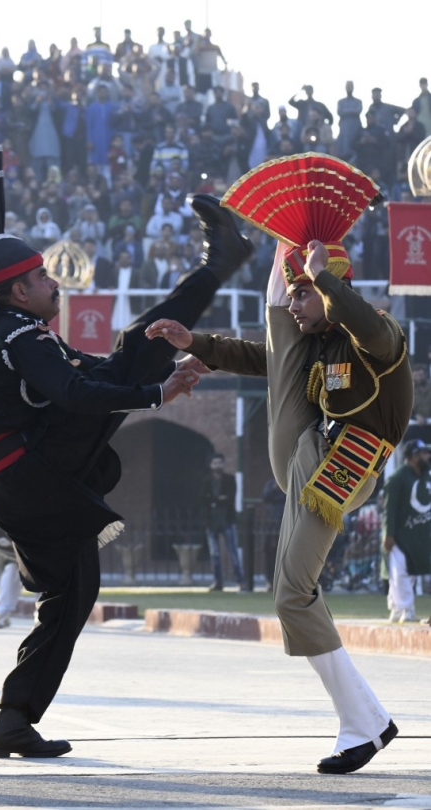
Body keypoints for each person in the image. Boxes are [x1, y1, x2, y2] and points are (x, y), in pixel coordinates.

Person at [0, 143, 252, 759]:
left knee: (72, 591)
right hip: (25, 473)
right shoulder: (17, 336)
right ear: (14, 292)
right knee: (132, 358)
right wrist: (157, 391)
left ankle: (12, 721)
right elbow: (77, 391)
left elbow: (92, 373)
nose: (52, 280)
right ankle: (220, 263)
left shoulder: (18, 331)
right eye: (40, 277)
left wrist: (147, 376)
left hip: (17, 479)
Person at [146, 153, 413, 775]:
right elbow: (265, 357)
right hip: (310, 456)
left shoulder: (377, 335)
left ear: (328, 287)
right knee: (289, 593)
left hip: (346, 465)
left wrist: (323, 279)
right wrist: (197, 346)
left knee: (293, 593)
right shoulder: (315, 346)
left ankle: (363, 726)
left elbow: (368, 327)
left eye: (302, 294)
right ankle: (369, 721)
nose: (296, 304)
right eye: (291, 293)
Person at [382, 439, 431, 623]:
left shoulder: (426, 476)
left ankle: (396, 607)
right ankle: (406, 609)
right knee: (399, 572)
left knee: (409, 574)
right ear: (414, 456)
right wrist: (389, 534)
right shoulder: (397, 478)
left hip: (420, 534)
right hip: (400, 535)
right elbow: (390, 508)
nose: (428, 457)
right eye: (425, 453)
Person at [201, 453, 245, 591]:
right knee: (215, 553)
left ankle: (240, 581)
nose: (217, 466)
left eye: (219, 463)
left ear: (223, 464)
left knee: (232, 552)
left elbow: (230, 497)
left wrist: (214, 499)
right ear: (211, 465)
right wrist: (217, 498)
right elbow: (203, 498)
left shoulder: (230, 480)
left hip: (227, 520)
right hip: (212, 521)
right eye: (214, 463)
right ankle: (218, 582)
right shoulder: (207, 481)